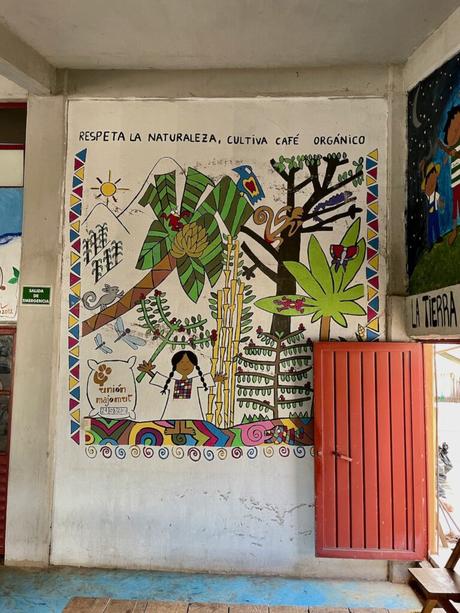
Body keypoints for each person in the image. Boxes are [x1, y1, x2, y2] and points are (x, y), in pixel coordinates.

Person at [138, 350, 225, 423]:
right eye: (181, 362)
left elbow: (206, 381)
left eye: (188, 362)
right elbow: (160, 380)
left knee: (192, 421)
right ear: (175, 366)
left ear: (194, 365)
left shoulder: (195, 381)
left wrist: (216, 379)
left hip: (192, 412)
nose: (184, 365)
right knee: (172, 420)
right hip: (172, 411)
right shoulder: (172, 382)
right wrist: (148, 371)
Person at [438, 105, 460, 245]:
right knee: (455, 206)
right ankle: (454, 230)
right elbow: (447, 149)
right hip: (456, 181)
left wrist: (454, 153)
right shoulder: (452, 146)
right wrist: (447, 151)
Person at [421, 161, 444, 248]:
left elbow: (435, 195)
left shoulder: (434, 184)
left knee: (436, 223)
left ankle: (437, 237)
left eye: (435, 172)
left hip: (434, 207)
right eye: (433, 173)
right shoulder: (429, 187)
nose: (435, 174)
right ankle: (430, 242)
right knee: (430, 225)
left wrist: (439, 201)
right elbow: (428, 191)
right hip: (431, 207)